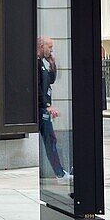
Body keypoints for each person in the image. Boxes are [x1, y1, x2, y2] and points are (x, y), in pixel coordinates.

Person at [37, 36, 70, 184]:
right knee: (50, 140)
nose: (51, 50)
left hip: (44, 108)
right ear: (41, 46)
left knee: (51, 140)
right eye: (49, 47)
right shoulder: (36, 64)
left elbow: (50, 80)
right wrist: (47, 106)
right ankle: (59, 173)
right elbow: (37, 88)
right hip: (41, 109)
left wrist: (53, 64)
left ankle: (59, 172)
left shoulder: (42, 63)